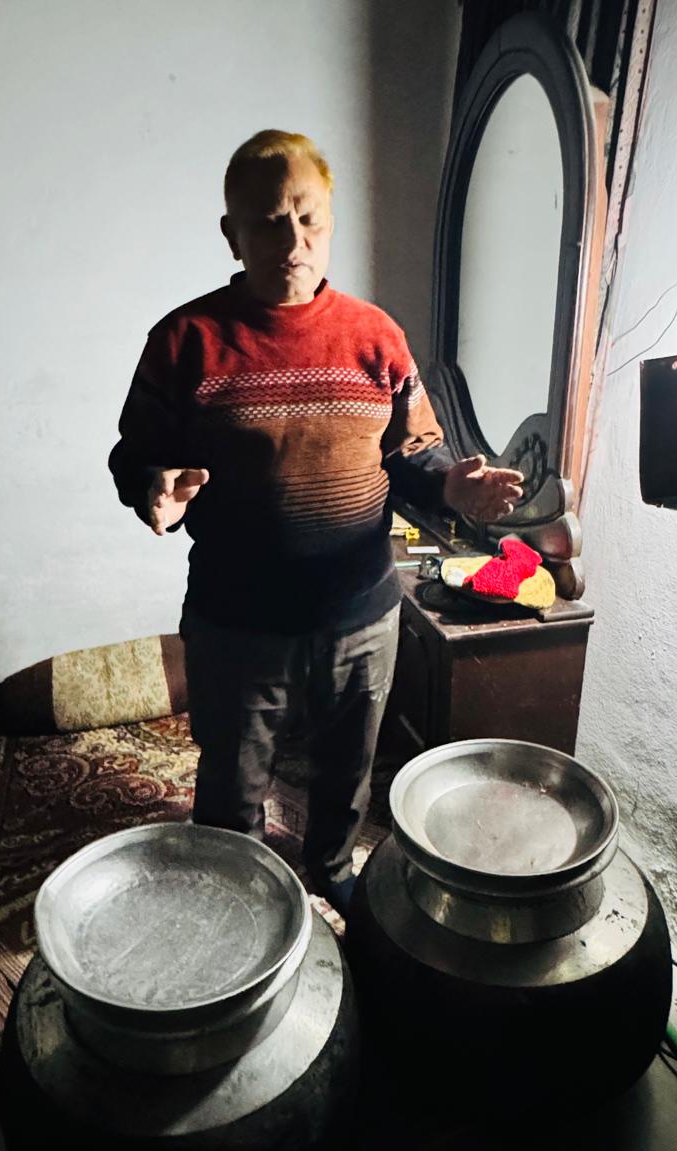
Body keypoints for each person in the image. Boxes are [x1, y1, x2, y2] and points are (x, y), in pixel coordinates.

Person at [109, 130, 523, 911]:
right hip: (236, 621)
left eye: (309, 219)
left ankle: (332, 868)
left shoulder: (376, 337)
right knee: (232, 781)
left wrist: (453, 486)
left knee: (348, 770)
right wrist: (152, 487)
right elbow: (136, 453)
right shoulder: (185, 341)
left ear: (330, 223)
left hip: (361, 613)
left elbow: (412, 453)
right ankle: (237, 901)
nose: (293, 241)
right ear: (232, 233)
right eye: (269, 221)